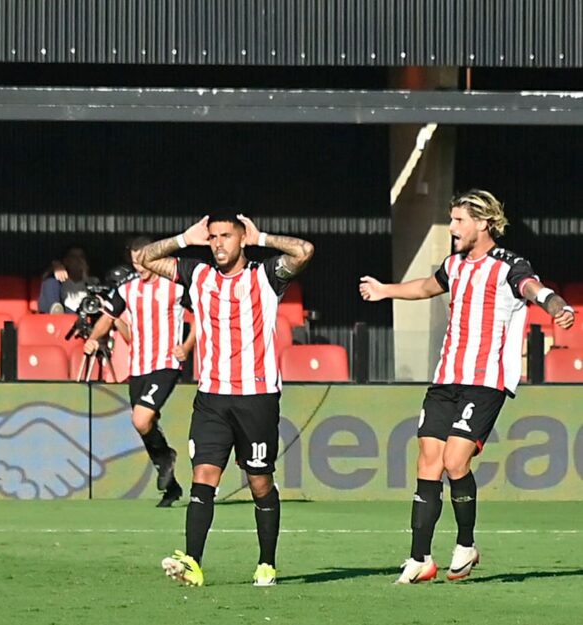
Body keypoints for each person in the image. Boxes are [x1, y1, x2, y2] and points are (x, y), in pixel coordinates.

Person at [359, 189, 575, 584]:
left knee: (455, 461)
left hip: (485, 381)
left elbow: (532, 288)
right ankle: (420, 558)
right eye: (452, 220)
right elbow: (427, 287)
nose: (452, 228)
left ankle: (465, 545)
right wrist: (385, 290)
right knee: (428, 459)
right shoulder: (454, 264)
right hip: (446, 377)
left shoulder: (509, 265)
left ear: (484, 223)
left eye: (459, 220)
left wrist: (555, 305)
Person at [139, 213, 314, 587]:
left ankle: (266, 563)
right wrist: (184, 239)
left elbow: (304, 251)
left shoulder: (265, 276)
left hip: (256, 398)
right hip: (212, 398)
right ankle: (193, 562)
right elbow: (145, 258)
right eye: (213, 236)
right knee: (203, 477)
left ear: (242, 239)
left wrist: (262, 237)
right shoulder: (198, 274)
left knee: (259, 483)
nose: (218, 243)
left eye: (226, 236)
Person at [82, 236, 196, 508]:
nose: (140, 267)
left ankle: (166, 458)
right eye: (135, 262)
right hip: (138, 367)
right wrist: (94, 339)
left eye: (144, 260)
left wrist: (187, 346)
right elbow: (108, 318)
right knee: (144, 423)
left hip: (166, 363)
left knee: (141, 419)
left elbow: (201, 318)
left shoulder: (175, 287)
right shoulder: (127, 289)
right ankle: (170, 484)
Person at [38, 246, 99, 314]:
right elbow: (44, 280)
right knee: (50, 282)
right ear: (66, 261)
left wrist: (85, 274)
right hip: (62, 312)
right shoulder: (60, 280)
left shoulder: (93, 280)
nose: (78, 259)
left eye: (81, 256)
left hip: (84, 313)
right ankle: (56, 314)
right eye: (73, 257)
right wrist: (55, 266)